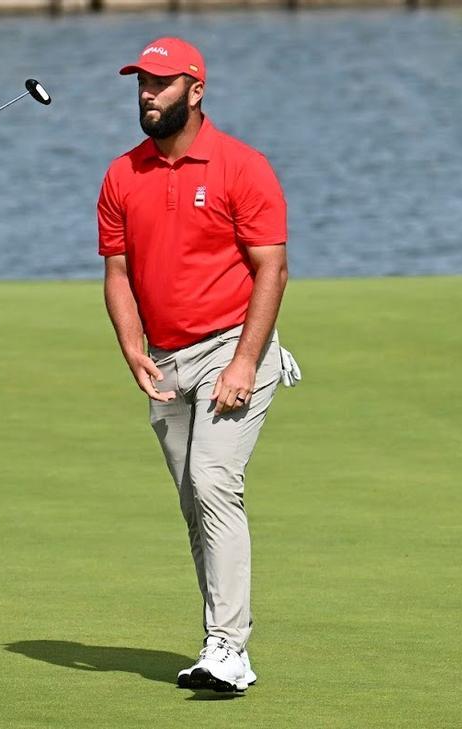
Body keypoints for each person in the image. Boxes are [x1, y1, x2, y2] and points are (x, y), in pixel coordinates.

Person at [97, 37, 300, 694]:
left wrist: (245, 362)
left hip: (234, 346)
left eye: (160, 83)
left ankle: (229, 649)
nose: (147, 94)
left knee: (214, 482)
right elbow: (118, 271)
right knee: (195, 502)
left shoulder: (242, 167)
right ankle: (219, 640)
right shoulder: (122, 175)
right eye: (141, 83)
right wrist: (132, 345)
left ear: (196, 89)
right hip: (164, 361)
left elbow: (273, 270)